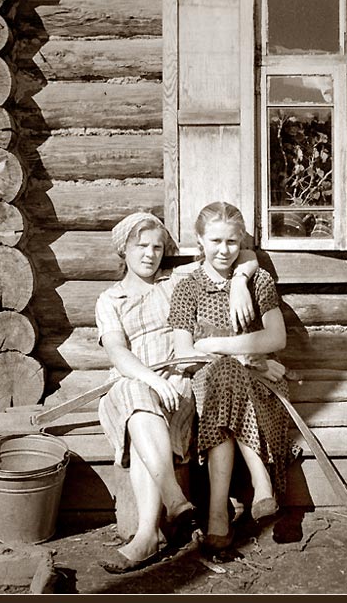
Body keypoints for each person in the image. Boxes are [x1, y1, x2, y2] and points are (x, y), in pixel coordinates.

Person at [95, 211, 258, 574]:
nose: (151, 255)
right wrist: (152, 381)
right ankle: (173, 496)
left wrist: (239, 283)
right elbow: (118, 354)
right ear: (124, 249)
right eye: (141, 247)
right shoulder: (110, 299)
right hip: (132, 384)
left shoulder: (175, 283)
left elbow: (240, 255)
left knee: (143, 423)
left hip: (178, 386)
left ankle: (148, 535)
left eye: (157, 247)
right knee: (134, 395)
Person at [169, 202, 292, 556]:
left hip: (260, 386)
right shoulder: (188, 287)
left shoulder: (259, 280)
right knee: (225, 374)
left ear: (242, 243)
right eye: (216, 241)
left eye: (233, 242)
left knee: (228, 376)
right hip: (211, 383)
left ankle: (217, 516)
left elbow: (276, 339)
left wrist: (218, 344)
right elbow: (184, 353)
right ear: (200, 241)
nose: (224, 250)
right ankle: (261, 482)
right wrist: (243, 356)